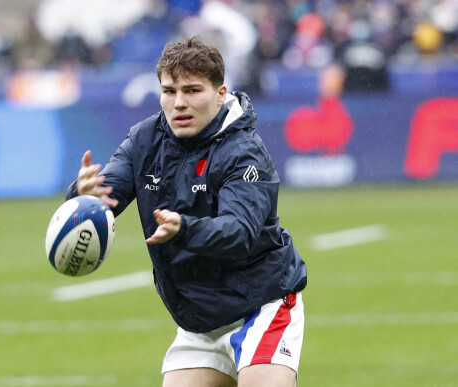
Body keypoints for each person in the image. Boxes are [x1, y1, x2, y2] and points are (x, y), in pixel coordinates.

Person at [65, 36, 307, 387]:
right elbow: (104, 195)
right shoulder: (145, 140)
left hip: (261, 304)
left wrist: (184, 228)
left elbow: (239, 233)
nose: (179, 103)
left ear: (220, 93)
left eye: (192, 91)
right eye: (169, 91)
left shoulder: (244, 153)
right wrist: (84, 197)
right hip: (198, 320)